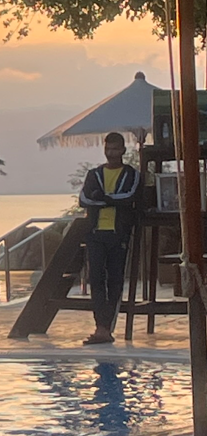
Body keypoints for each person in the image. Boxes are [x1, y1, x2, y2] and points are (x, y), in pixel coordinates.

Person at [78, 131, 140, 346]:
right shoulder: (94, 174)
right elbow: (84, 199)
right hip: (95, 233)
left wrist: (103, 199)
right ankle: (100, 326)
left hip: (118, 233)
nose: (111, 153)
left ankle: (106, 327)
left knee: (115, 280)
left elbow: (128, 197)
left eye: (115, 149)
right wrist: (109, 201)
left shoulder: (131, 174)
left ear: (123, 150)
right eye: (108, 149)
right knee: (95, 279)